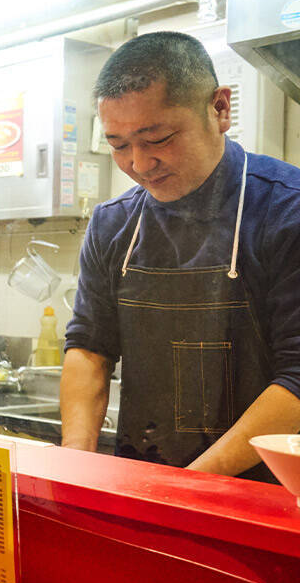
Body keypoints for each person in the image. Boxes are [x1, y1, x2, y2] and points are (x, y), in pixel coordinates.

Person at [61, 31, 300, 481]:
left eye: (159, 138)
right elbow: (90, 347)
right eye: (118, 145)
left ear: (220, 109)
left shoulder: (288, 211)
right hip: (143, 480)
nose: (139, 163)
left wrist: (189, 487)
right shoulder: (113, 224)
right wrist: (75, 461)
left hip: (264, 491)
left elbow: (298, 377)